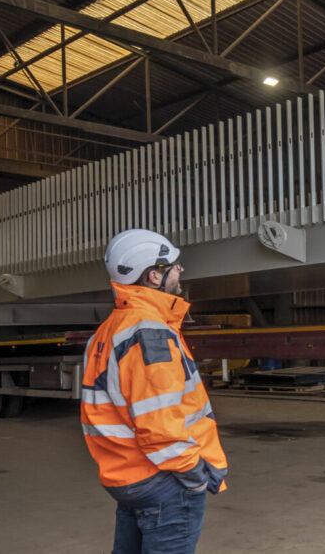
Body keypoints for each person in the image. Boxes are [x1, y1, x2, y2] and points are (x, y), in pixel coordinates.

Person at [81, 229, 227, 554]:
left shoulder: (109, 330)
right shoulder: (150, 334)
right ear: (154, 275)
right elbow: (159, 425)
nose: (181, 271)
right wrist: (195, 477)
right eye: (175, 265)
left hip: (126, 475)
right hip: (163, 481)